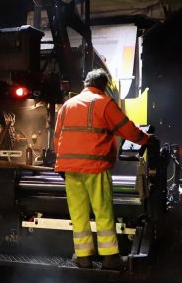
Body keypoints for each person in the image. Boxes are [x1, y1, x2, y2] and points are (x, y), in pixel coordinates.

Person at [53, 69, 151, 269]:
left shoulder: (67, 105)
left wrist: (62, 162)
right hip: (95, 166)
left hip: (70, 169)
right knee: (102, 211)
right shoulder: (105, 103)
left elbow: (57, 137)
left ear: (86, 84)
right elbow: (127, 129)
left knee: (78, 213)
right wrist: (147, 139)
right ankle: (109, 257)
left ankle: (83, 257)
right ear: (103, 86)